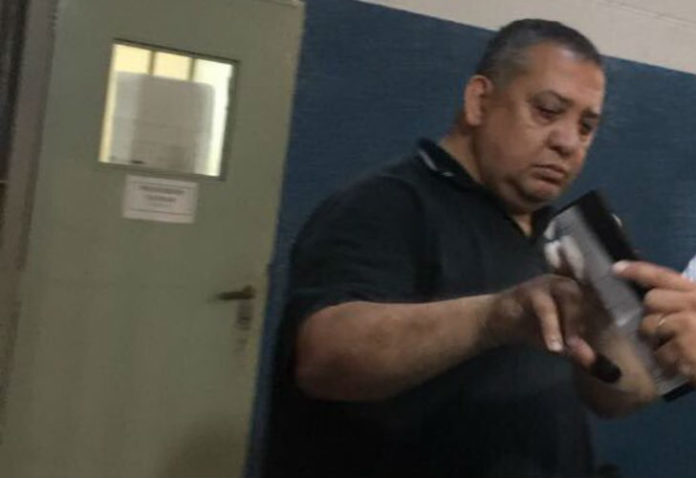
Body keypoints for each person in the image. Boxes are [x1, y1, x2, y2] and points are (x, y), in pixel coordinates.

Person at [263, 18, 696, 478]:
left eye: (586, 126)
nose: (568, 141)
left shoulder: (565, 233)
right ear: (479, 100)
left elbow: (620, 396)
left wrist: (618, 327)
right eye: (547, 111)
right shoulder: (385, 204)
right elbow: (323, 359)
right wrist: (495, 317)